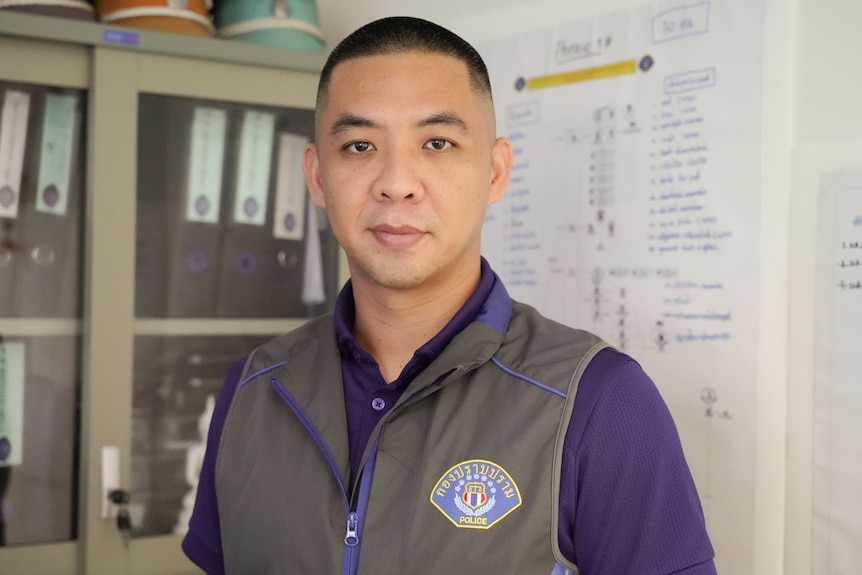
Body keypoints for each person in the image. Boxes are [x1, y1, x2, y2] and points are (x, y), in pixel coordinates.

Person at [182, 16, 717, 575]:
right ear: (317, 176)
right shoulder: (254, 389)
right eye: (360, 145)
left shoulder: (603, 402)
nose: (397, 181)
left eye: (437, 143)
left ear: (494, 171)